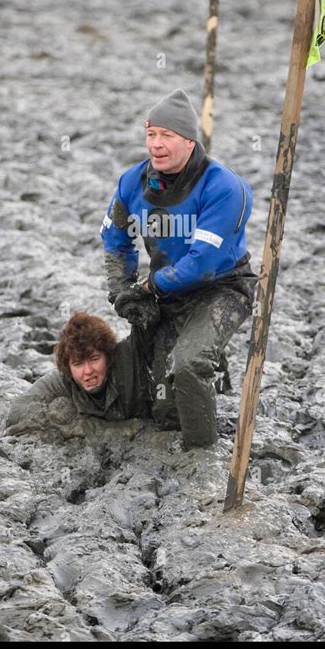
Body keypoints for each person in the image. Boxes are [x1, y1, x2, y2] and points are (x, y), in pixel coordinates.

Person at [101, 88, 258, 449]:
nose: (156, 144)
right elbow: (115, 240)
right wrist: (121, 289)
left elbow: (201, 264)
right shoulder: (132, 183)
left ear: (189, 142)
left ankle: (203, 455)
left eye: (167, 135)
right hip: (166, 294)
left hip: (220, 288)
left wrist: (146, 288)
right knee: (165, 411)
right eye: (151, 134)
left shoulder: (224, 188)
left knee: (188, 365)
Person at [5, 310, 154, 436]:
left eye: (95, 359)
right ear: (67, 367)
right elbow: (16, 412)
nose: (88, 371)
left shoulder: (128, 360)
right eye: (78, 364)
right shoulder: (62, 380)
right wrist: (75, 423)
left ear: (109, 356)